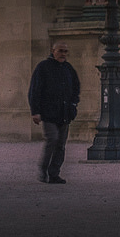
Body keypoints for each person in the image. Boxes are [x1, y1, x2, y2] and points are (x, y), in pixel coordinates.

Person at [28, 42, 82, 184]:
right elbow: (35, 90)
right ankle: (44, 169)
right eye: (60, 51)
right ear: (53, 51)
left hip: (64, 113)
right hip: (49, 113)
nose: (63, 54)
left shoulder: (68, 69)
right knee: (52, 139)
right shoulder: (43, 67)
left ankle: (54, 173)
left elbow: (76, 88)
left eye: (65, 51)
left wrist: (73, 104)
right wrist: (35, 112)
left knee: (61, 145)